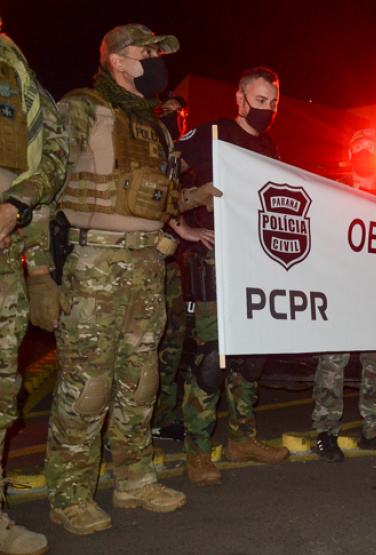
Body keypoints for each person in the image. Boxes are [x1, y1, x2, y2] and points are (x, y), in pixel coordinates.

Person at [45, 23, 214, 536]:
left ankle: (134, 480)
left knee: (140, 382)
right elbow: (44, 177)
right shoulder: (81, 107)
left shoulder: (155, 126)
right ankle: (69, 495)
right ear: (119, 60)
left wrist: (192, 203)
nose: (155, 62)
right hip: (95, 265)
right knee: (87, 384)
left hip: (147, 265)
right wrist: (37, 271)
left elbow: (148, 199)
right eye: (147, 53)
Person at [175, 67, 289, 485]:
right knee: (211, 358)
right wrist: (179, 224)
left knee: (250, 359)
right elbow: (161, 172)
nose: (267, 110)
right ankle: (198, 452)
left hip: (255, 264)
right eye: (260, 101)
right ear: (240, 99)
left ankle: (243, 438)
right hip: (214, 262)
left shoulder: (270, 145)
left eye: (273, 103)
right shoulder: (212, 133)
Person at [0, 18, 67, 553]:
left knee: (2, 394)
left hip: (5, 251)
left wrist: (40, 270)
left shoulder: (15, 65)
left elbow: (47, 160)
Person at [311, 128, 376, 463]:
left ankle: (374, 430)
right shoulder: (330, 190)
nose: (364, 152)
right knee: (332, 362)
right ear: (349, 152)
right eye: (358, 147)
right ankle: (326, 431)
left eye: (371, 147)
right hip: (339, 288)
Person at [151, 92, 208, 442]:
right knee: (144, 347)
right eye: (169, 113)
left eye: (180, 114)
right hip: (146, 259)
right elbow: (158, 200)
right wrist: (182, 227)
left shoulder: (181, 160)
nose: (175, 119)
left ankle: (161, 416)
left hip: (174, 266)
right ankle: (128, 426)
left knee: (171, 345)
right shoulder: (152, 151)